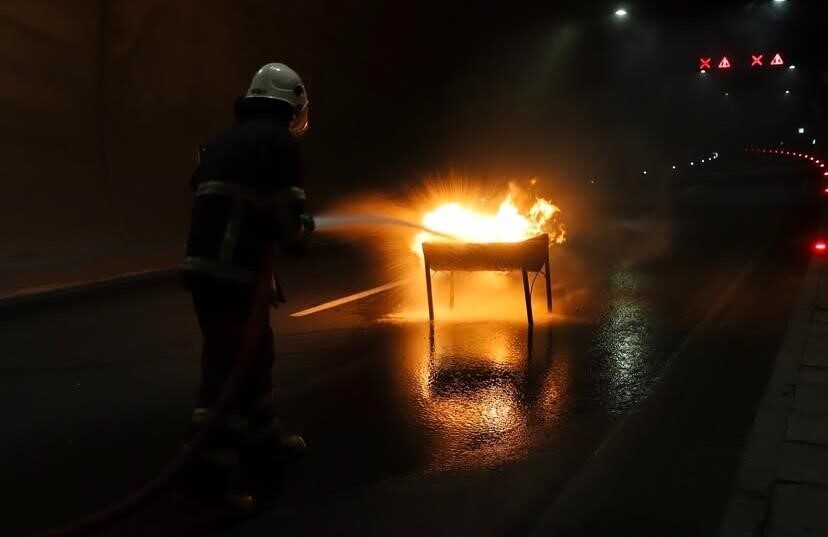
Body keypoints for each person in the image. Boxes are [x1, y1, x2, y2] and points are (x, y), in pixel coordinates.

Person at [178, 62, 314, 512]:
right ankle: (208, 482)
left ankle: (261, 443)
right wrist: (304, 229)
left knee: (255, 357)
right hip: (231, 274)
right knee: (228, 375)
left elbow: (227, 201)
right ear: (291, 104)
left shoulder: (228, 140)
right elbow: (289, 228)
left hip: (212, 270)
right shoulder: (277, 143)